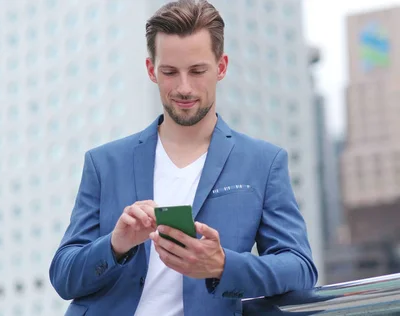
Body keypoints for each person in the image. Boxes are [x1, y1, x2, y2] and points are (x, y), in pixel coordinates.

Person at [49, 0, 318, 315]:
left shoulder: (262, 162)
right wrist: (115, 244)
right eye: (170, 72)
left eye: (197, 71)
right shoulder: (104, 163)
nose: (184, 87)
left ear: (221, 66)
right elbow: (64, 277)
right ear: (152, 71)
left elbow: (300, 268)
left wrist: (221, 265)